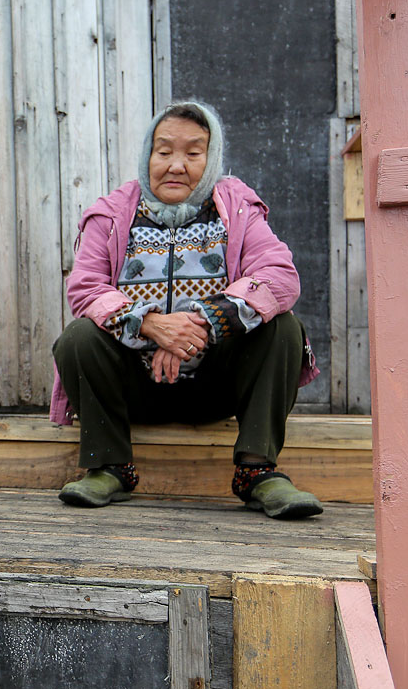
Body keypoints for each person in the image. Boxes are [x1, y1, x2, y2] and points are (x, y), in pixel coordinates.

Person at [50, 100, 322, 519]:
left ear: (211, 159)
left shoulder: (237, 209)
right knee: (79, 338)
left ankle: (257, 472)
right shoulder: (112, 213)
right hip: (135, 386)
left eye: (193, 153)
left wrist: (200, 324)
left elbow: (279, 276)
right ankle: (109, 467)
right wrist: (152, 326)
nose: (176, 165)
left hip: (217, 385)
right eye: (164, 151)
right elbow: (86, 288)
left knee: (284, 328)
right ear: (147, 155)